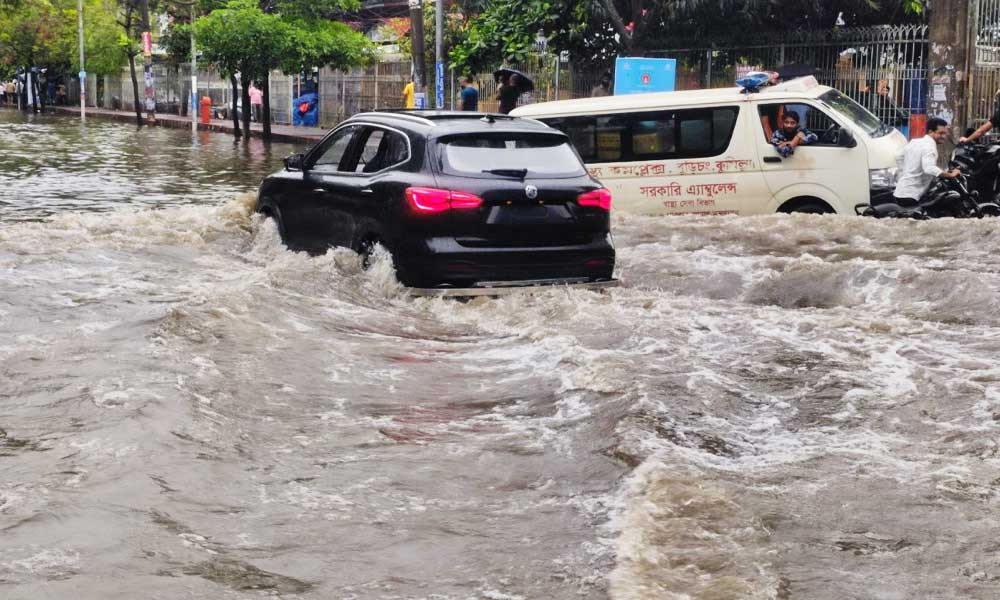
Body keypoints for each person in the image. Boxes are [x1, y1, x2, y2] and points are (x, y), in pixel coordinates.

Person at [892, 116, 960, 205]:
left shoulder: (915, 142)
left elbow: (899, 156)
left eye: (945, 134)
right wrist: (950, 175)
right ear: (930, 131)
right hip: (912, 196)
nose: (943, 136)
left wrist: (903, 175)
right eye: (940, 133)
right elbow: (929, 168)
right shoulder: (930, 147)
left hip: (901, 191)